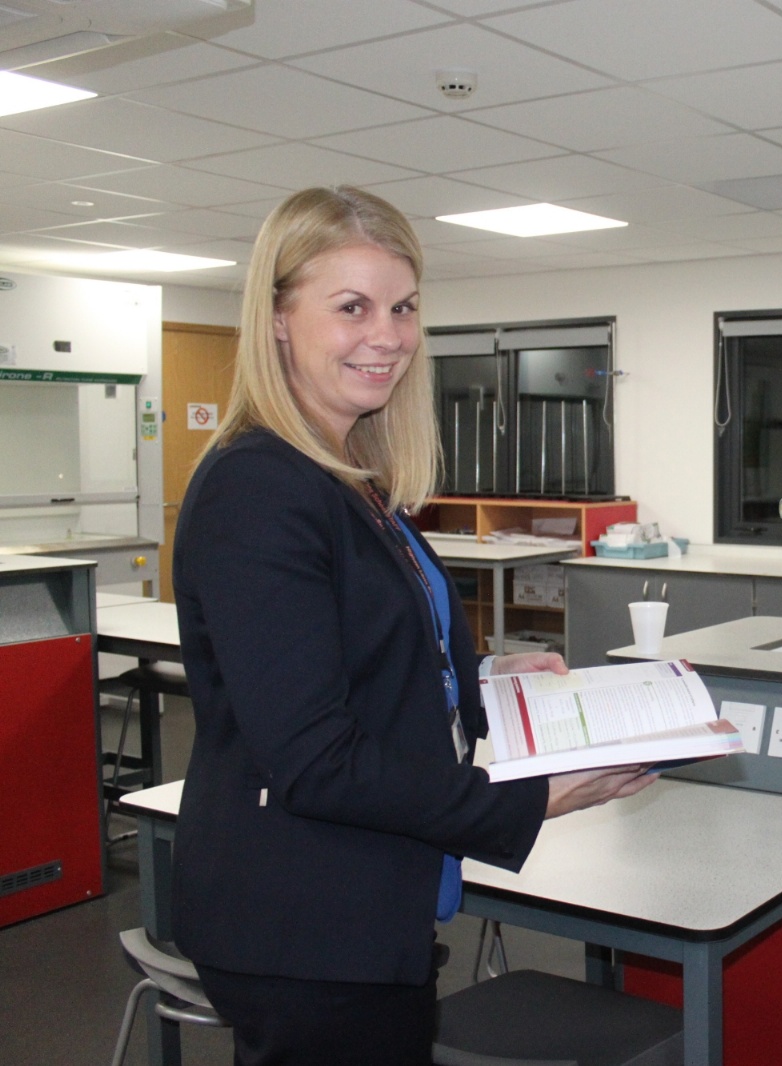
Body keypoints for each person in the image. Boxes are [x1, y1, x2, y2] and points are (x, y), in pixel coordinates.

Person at [171, 186, 655, 1065]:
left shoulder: (347, 477)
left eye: (403, 308)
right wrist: (531, 798)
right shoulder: (260, 487)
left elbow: (367, 657)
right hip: (305, 920)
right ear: (277, 319)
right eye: (352, 307)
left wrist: (486, 680)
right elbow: (317, 758)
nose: (388, 335)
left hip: (363, 896)